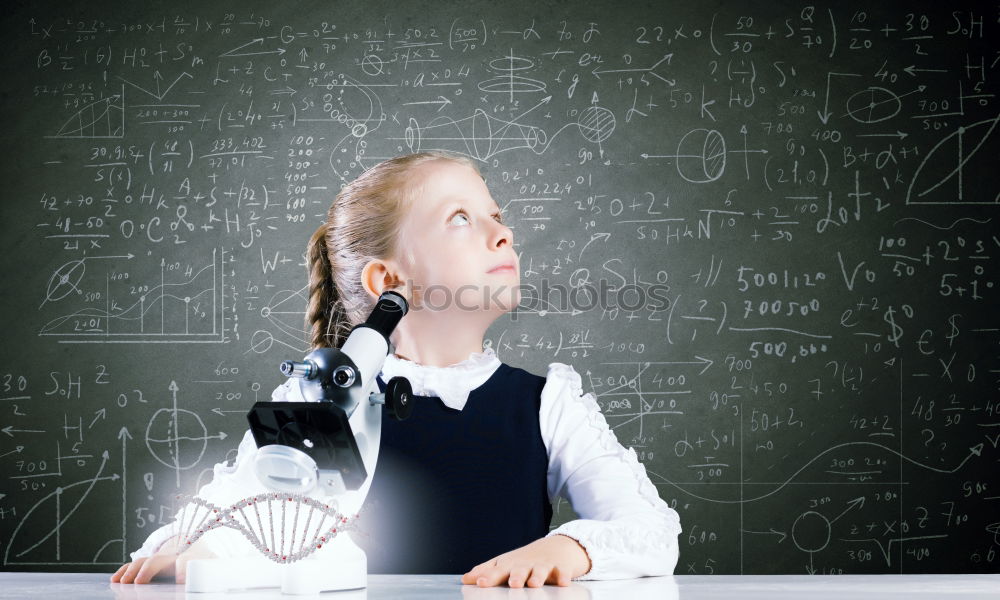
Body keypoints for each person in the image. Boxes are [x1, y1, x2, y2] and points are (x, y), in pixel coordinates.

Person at [111, 151, 681, 588]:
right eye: (460, 218)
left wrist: (571, 551)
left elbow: (651, 530)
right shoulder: (323, 399)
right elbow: (242, 514)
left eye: (496, 215)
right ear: (389, 283)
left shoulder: (549, 404)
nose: (502, 232)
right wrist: (190, 554)